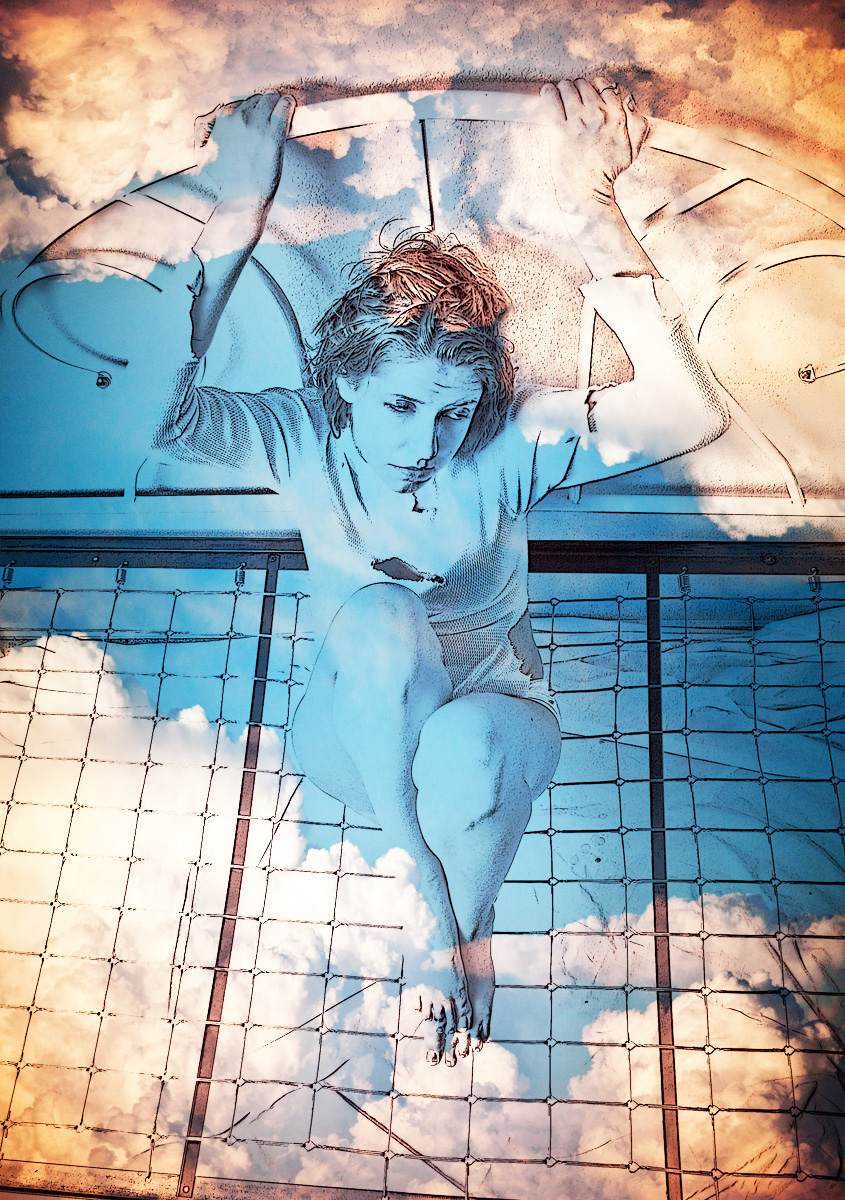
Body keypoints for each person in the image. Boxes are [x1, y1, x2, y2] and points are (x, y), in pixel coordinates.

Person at [156, 80, 731, 1068]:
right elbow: (157, 413)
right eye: (399, 407)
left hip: (491, 718)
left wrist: (595, 213)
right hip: (355, 730)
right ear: (345, 383)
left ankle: (467, 925)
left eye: (450, 412)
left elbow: (689, 415)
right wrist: (236, 213)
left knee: (469, 745)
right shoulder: (299, 432)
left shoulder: (503, 447)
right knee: (383, 613)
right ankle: (433, 903)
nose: (426, 442)